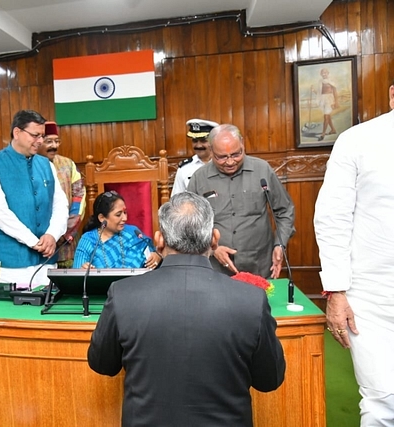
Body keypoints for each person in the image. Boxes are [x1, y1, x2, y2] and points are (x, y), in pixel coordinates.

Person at [87, 192, 285, 426]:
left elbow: (103, 364)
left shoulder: (123, 295)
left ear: (159, 241)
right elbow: (269, 379)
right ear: (214, 239)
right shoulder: (251, 299)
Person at [314, 79, 394, 426]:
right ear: (392, 94)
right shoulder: (357, 141)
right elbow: (332, 218)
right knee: (382, 399)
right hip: (374, 295)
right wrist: (336, 291)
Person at [187, 124, 295, 279]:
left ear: (243, 145)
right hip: (215, 268)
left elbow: (284, 211)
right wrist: (212, 248)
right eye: (222, 157)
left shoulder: (262, 170)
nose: (230, 162)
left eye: (236, 154)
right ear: (211, 150)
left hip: (259, 265)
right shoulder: (199, 178)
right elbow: (190, 223)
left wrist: (280, 244)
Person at [0, 110, 68, 286]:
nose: (40, 141)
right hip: (11, 265)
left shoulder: (46, 165)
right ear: (17, 133)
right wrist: (33, 241)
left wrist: (52, 234)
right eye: (35, 135)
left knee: (46, 310)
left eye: (42, 136)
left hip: (46, 263)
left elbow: (60, 205)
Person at [37, 121, 86, 267]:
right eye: (49, 141)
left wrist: (63, 232)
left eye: (57, 141)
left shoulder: (68, 165)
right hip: (39, 243)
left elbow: (79, 198)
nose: (54, 146)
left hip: (66, 242)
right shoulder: (30, 165)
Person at [73, 190, 160, 269]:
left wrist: (156, 256)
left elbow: (152, 252)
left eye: (125, 213)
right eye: (118, 215)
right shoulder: (88, 240)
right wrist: (83, 271)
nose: (125, 218)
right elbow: (76, 278)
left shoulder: (133, 232)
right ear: (102, 218)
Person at [171, 118, 218, 195]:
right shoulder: (184, 168)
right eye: (195, 141)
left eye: (203, 141)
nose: (198, 145)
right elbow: (176, 198)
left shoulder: (223, 164)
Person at [316, 68, 339, 141]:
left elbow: (335, 92)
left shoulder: (331, 81)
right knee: (328, 116)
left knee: (326, 116)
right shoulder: (320, 82)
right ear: (321, 74)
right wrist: (313, 91)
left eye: (325, 72)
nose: (324, 74)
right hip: (323, 100)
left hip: (329, 100)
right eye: (322, 73)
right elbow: (319, 93)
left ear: (328, 73)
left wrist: (336, 101)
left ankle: (323, 134)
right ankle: (333, 130)